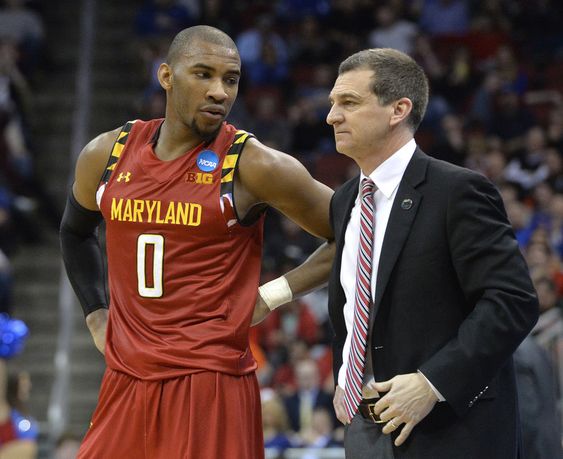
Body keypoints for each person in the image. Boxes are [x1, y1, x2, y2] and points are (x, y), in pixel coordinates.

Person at [59, 25, 334, 459]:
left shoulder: (252, 164)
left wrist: (273, 294)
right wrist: (96, 313)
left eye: (230, 79)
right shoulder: (107, 153)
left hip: (210, 381)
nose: (219, 92)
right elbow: (74, 233)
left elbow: (360, 232)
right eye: (203, 74)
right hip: (126, 376)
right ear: (166, 76)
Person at [325, 48, 538, 458]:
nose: (332, 116)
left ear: (398, 109)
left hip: (449, 428)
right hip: (364, 427)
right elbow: (353, 308)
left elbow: (513, 301)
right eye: (333, 103)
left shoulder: (456, 191)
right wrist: (344, 376)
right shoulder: (345, 199)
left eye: (348, 103)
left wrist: (431, 383)